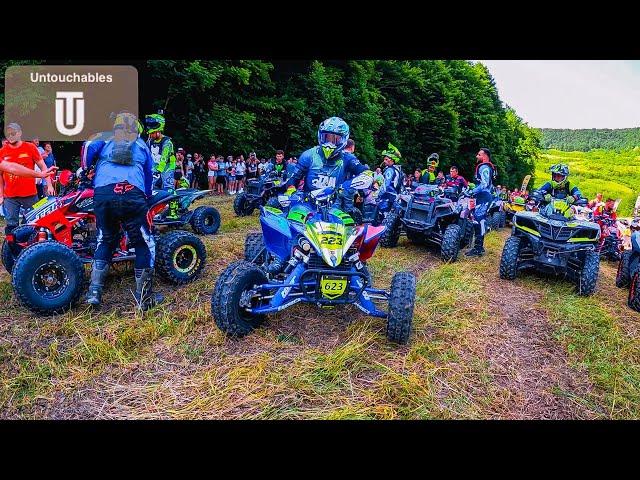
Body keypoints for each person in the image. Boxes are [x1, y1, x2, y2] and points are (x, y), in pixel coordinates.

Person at [82, 112, 163, 311]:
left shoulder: (104, 137)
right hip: (132, 195)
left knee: (105, 239)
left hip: (103, 194)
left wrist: (86, 169)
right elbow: (149, 174)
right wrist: (145, 195)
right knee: (144, 243)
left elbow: (87, 148)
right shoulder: (142, 144)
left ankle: (94, 292)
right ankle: (144, 300)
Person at [284, 117, 371, 200]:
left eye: (335, 140)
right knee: (294, 215)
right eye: (326, 138)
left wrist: (367, 178)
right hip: (307, 203)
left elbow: (364, 171)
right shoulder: (309, 155)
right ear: (320, 136)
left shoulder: (348, 158)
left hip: (333, 205)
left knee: (346, 216)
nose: (329, 143)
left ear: (344, 139)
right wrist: (291, 190)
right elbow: (294, 177)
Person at [0, 123, 55, 234]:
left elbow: (44, 167)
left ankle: (31, 247)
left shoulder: (30, 147)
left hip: (30, 194)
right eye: (8, 134)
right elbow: (0, 176)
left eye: (13, 133)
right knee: (11, 225)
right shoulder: (2, 151)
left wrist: (49, 185)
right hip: (10, 196)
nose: (10, 136)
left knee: (34, 222)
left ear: (20, 133)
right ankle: (13, 249)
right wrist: (1, 195)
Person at [466, 147, 497, 257]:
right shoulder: (489, 167)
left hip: (483, 197)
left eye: (479, 154)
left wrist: (472, 192)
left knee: (478, 221)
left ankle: (478, 249)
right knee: (479, 220)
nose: (477, 156)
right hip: (484, 196)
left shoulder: (484, 167)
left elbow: (484, 184)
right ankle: (479, 247)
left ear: (484, 156)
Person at [145, 113, 176, 191]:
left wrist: (159, 170)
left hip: (167, 166)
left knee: (168, 185)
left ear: (158, 131)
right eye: (150, 133)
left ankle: (173, 202)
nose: (151, 135)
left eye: (152, 133)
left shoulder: (167, 142)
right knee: (149, 184)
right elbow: (145, 153)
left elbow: (164, 158)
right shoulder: (149, 141)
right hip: (155, 165)